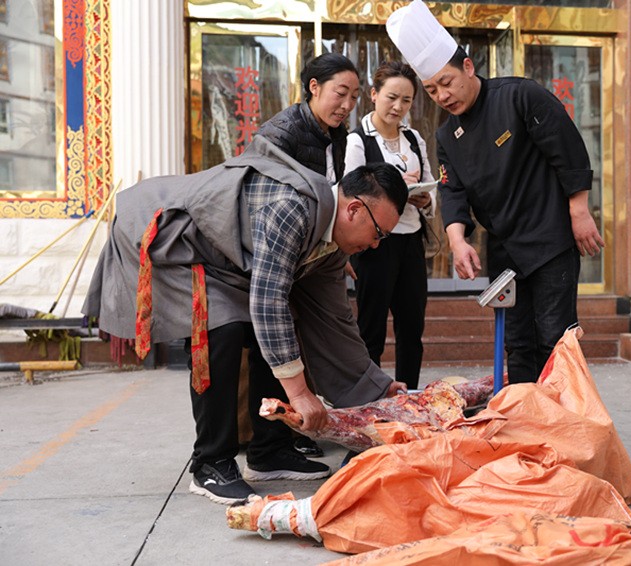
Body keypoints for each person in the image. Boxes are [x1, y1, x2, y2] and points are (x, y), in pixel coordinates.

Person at [84, 126, 409, 505]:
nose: (375, 245)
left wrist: (376, 388)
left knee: (278, 328)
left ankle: (268, 451)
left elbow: (333, 319)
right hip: (167, 234)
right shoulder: (294, 208)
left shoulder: (333, 245)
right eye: (379, 233)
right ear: (354, 209)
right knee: (222, 326)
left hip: (220, 258)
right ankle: (210, 464)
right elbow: (268, 300)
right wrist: (300, 393)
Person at [386, 0, 604, 384]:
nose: (442, 96)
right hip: (504, 251)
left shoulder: (519, 96)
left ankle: (563, 413)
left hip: (550, 240)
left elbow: (567, 149)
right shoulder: (446, 136)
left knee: (555, 338)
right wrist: (457, 241)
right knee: (517, 343)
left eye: (447, 83)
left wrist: (579, 210)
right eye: (432, 90)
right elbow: (453, 191)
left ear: (468, 67)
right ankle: (523, 411)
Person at [255, 52, 360, 458]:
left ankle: (300, 429)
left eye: (354, 97)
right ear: (314, 87)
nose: (347, 105)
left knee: (315, 331)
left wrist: (336, 250)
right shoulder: (279, 133)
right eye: (340, 93)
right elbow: (268, 199)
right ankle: (274, 440)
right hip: (273, 250)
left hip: (311, 251)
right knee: (278, 332)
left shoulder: (336, 134)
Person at [343, 61, 436, 390]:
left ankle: (409, 397)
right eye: (392, 97)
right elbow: (351, 193)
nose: (398, 107)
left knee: (412, 328)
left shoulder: (414, 138)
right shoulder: (357, 141)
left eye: (406, 100)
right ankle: (371, 400)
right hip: (374, 244)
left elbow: (430, 182)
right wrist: (398, 189)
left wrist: (426, 200)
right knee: (372, 329)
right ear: (374, 94)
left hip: (411, 240)